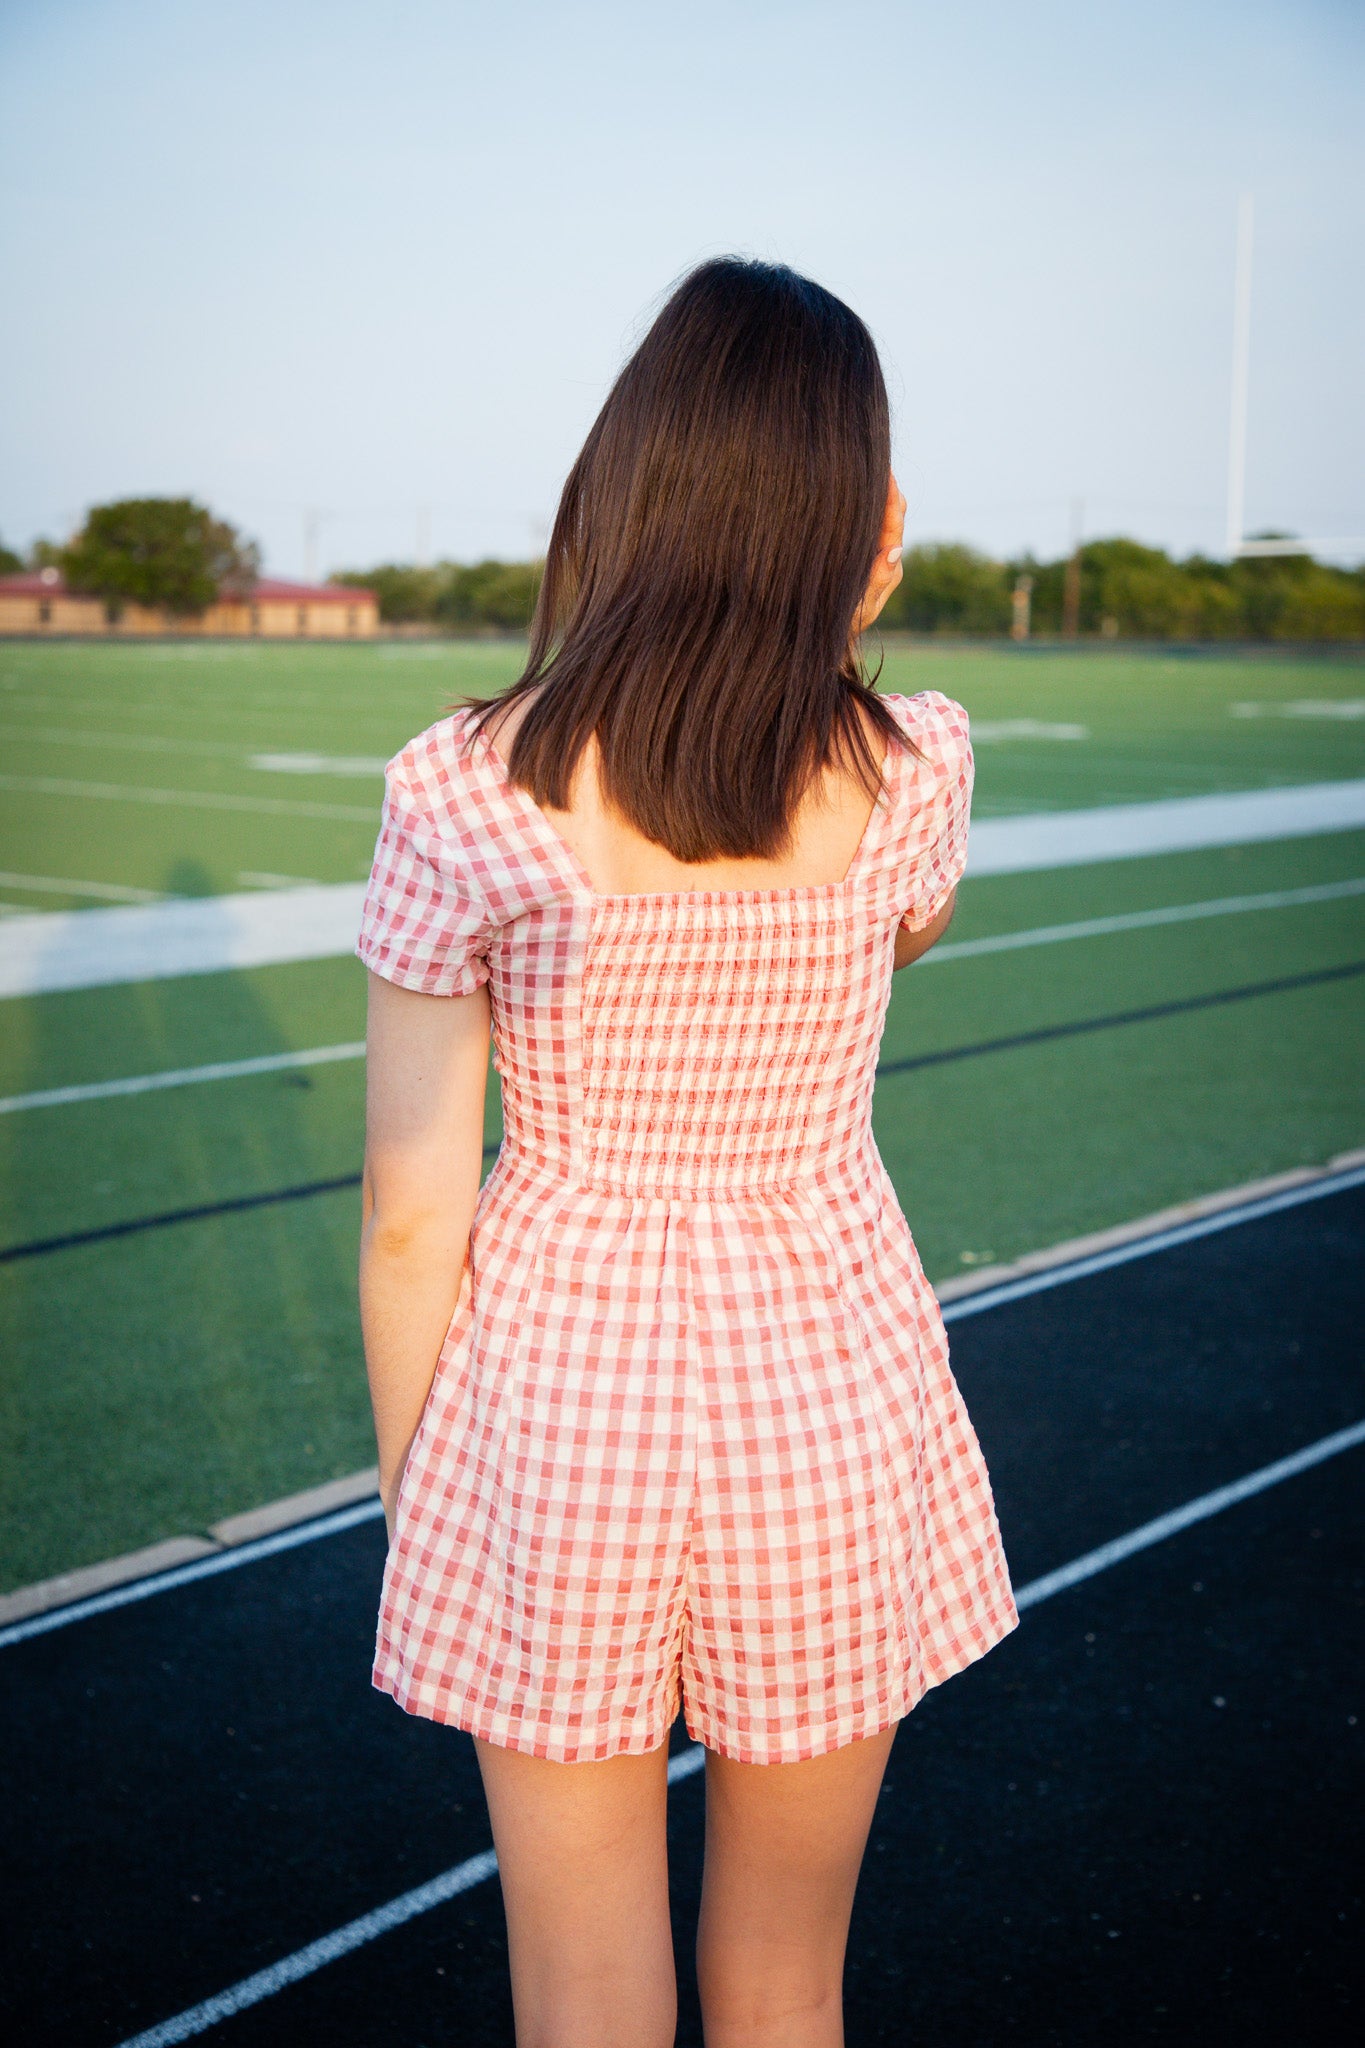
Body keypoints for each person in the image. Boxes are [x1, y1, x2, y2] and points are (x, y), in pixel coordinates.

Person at [356, 257, 1017, 2048]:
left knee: (581, 1995)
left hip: (559, 1402)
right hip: (826, 1383)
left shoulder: (463, 792)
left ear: (625, 480)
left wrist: (433, 1510)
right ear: (853, 523)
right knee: (789, 1983)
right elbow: (900, 930)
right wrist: (842, 621)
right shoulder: (915, 771)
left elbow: (414, 1215)